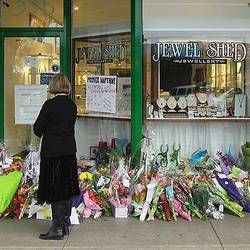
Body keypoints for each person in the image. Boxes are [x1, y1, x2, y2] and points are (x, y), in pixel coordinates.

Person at [34, 73, 80, 240]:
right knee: (66, 188)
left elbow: (38, 128)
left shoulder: (49, 105)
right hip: (69, 151)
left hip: (52, 152)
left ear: (53, 86)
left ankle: (57, 227)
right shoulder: (72, 105)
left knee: (55, 189)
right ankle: (65, 223)